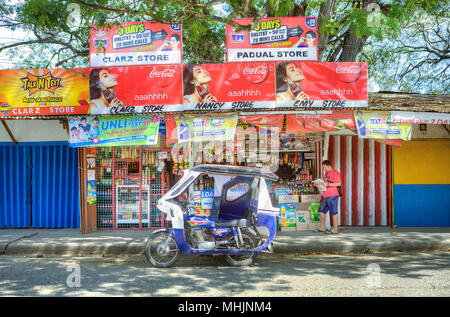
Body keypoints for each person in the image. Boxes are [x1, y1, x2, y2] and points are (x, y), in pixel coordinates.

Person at [314, 160, 341, 234]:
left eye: (324, 167)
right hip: (326, 195)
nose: (324, 169)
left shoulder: (336, 173)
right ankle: (323, 227)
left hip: (333, 195)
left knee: (334, 212)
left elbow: (339, 183)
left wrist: (328, 185)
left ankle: (335, 229)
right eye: (323, 168)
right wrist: (319, 185)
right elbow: (325, 184)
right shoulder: (326, 173)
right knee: (321, 211)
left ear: (329, 166)